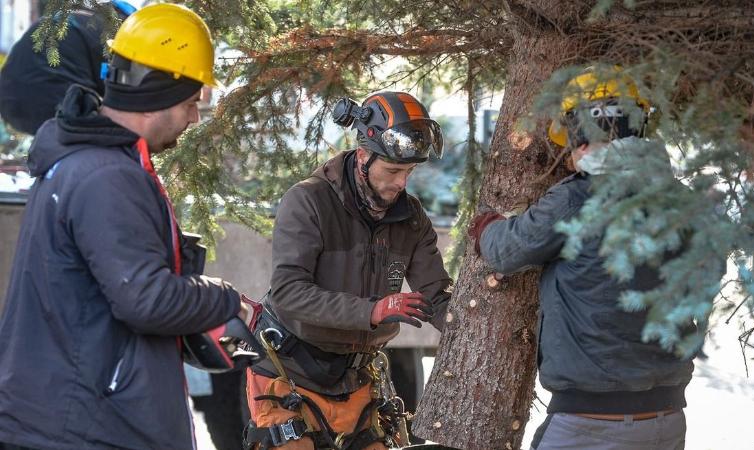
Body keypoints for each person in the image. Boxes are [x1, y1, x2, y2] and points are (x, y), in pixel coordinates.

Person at [0, 4, 247, 449]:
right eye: (192, 102)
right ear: (159, 93)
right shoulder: (107, 176)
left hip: (68, 421)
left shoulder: (80, 161)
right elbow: (146, 299)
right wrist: (225, 298)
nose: (194, 119)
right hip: (91, 430)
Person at [469, 67, 696, 450]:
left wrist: (488, 225)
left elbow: (507, 251)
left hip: (591, 423)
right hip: (667, 420)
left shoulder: (577, 198)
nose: (570, 156)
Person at [243, 92, 452, 449]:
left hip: (357, 377)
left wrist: (474, 326)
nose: (402, 183)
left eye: (410, 172)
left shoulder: (411, 218)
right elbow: (290, 293)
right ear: (363, 157)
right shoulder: (308, 200)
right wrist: (372, 310)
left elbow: (436, 294)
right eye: (393, 170)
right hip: (290, 371)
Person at [0, 1, 136, 135]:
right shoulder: (115, 34)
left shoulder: (73, 17)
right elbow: (118, 90)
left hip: (9, 101)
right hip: (57, 108)